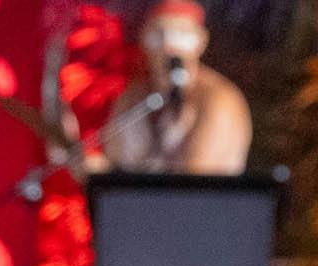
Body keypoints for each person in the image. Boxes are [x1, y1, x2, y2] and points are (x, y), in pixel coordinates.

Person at [96, 0, 251, 175]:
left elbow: (192, 187)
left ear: (201, 41)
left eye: (181, 36)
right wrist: (96, 172)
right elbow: (115, 169)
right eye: (159, 36)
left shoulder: (218, 100)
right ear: (144, 40)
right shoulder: (133, 98)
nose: (169, 48)